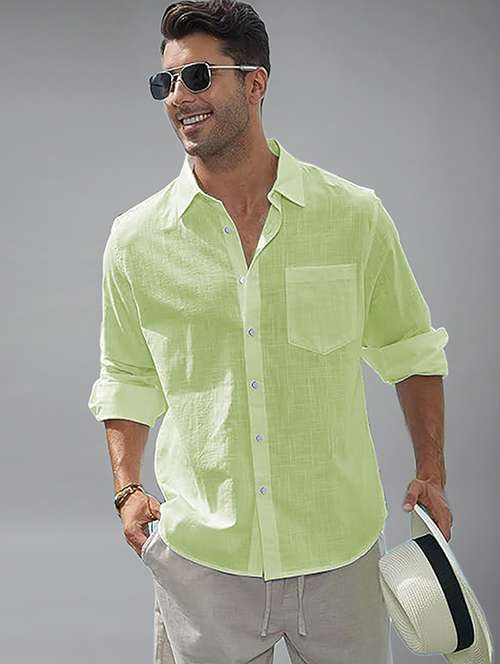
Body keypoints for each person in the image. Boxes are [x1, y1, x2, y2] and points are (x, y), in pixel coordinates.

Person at [88, 1, 453, 662]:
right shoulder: (136, 241)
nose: (177, 96)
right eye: (165, 81)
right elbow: (127, 375)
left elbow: (411, 348)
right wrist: (126, 488)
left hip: (340, 557)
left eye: (197, 76)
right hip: (204, 562)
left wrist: (432, 468)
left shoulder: (353, 217)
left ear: (255, 83)